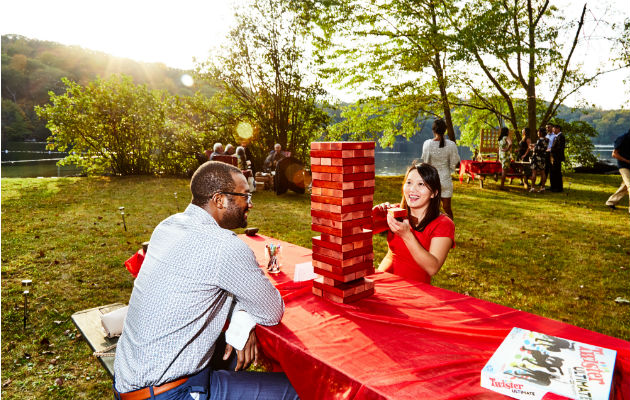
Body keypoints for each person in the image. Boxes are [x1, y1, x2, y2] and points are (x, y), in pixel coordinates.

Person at [113, 161, 299, 400]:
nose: (250, 204)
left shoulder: (167, 226)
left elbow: (204, 286)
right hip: (169, 393)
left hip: (129, 380)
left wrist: (243, 319)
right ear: (219, 199)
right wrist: (246, 311)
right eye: (245, 196)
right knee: (302, 389)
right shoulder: (225, 247)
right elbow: (271, 311)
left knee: (230, 355)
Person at [372, 163, 455, 284]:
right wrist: (370, 216)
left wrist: (407, 235)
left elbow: (432, 267)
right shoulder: (395, 211)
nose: (412, 189)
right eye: (409, 182)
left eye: (421, 184)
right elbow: (355, 232)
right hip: (383, 281)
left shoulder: (443, 224)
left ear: (434, 193)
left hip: (415, 289)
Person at [420, 118, 460, 220]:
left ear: (433, 131)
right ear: (445, 130)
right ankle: (450, 230)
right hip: (445, 180)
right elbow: (455, 163)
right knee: (447, 208)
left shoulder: (427, 144)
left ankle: (429, 230)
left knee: (429, 209)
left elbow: (425, 163)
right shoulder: (451, 145)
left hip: (432, 180)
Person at [605, 128, 630, 213]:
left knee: (625, 186)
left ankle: (610, 202)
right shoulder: (622, 139)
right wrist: (627, 161)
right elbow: (614, 154)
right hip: (624, 166)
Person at [529, 127, 549, 192]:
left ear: (540, 133)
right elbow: (542, 147)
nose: (537, 133)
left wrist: (532, 149)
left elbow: (536, 149)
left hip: (536, 158)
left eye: (538, 131)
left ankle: (532, 187)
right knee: (543, 172)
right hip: (543, 158)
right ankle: (543, 187)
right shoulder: (546, 140)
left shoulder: (539, 140)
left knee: (534, 172)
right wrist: (534, 145)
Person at [549, 124, 566, 192]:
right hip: (554, 157)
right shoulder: (557, 136)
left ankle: (558, 188)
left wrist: (551, 150)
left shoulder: (561, 136)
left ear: (558, 129)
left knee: (557, 172)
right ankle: (553, 186)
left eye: (554, 129)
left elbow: (560, 148)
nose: (553, 130)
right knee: (553, 172)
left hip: (557, 157)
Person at [541, 124, 556, 188]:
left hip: (551, 153)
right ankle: (542, 183)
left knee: (551, 169)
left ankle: (552, 184)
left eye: (549, 127)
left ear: (552, 128)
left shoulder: (554, 136)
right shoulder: (546, 135)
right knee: (545, 169)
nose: (547, 128)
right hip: (545, 153)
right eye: (546, 127)